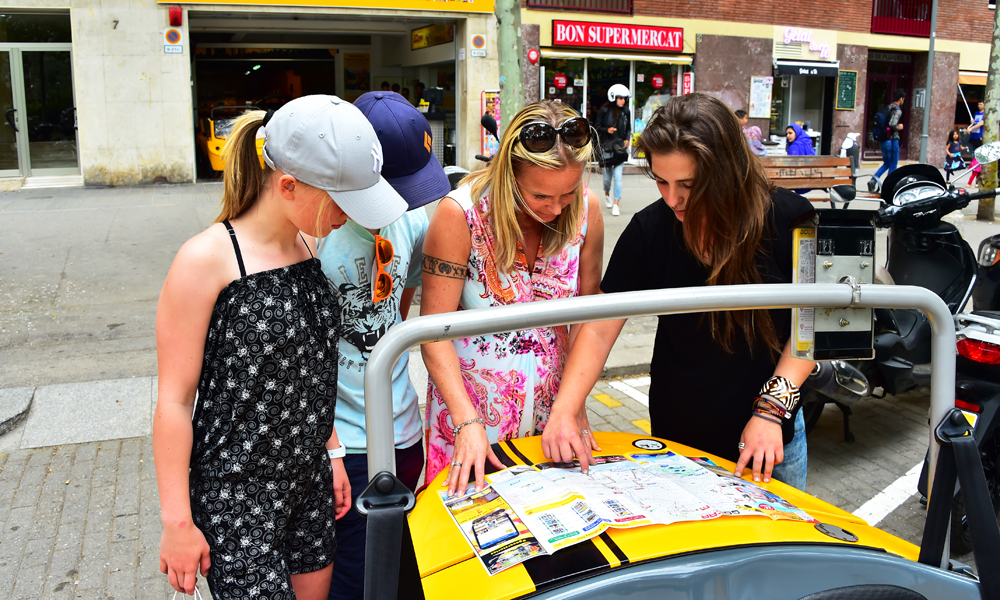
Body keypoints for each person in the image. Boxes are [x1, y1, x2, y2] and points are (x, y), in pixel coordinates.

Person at [152, 96, 408, 600]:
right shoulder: (205, 260)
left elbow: (308, 370)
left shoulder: (309, 244)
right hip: (238, 495)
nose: (349, 218)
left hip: (309, 480)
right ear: (287, 185)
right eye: (341, 202)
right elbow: (175, 401)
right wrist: (177, 522)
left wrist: (332, 452)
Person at [541, 93, 816, 491]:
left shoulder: (792, 219)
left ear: (728, 171)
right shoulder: (649, 229)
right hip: (676, 438)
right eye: (661, 181)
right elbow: (602, 323)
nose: (672, 199)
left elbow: (817, 325)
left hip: (768, 438)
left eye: (689, 184)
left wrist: (772, 412)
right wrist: (566, 409)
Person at [420, 100, 605, 495]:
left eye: (568, 192)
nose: (556, 209)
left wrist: (574, 404)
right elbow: (433, 332)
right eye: (540, 196)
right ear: (507, 174)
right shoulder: (461, 215)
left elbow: (591, 320)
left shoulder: (587, 209)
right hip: (471, 417)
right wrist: (466, 423)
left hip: (556, 415)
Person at [320, 91, 451, 600]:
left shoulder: (411, 220)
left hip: (405, 433)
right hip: (343, 448)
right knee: (355, 574)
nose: (402, 202)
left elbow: (400, 302)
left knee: (403, 568)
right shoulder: (318, 237)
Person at [595, 83, 632, 217]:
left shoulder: (626, 112)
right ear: (613, 97)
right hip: (606, 147)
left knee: (618, 177)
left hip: (619, 148)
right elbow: (596, 126)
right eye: (620, 98)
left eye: (624, 98)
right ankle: (607, 193)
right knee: (607, 178)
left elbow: (628, 129)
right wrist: (607, 130)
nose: (623, 101)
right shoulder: (604, 110)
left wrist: (627, 139)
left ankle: (616, 204)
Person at [870, 90, 906, 193]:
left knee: (886, 163)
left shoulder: (887, 108)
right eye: (903, 99)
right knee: (893, 165)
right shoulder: (897, 110)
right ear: (901, 99)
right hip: (892, 140)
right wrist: (899, 127)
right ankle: (889, 187)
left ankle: (873, 180)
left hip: (883, 140)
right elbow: (892, 123)